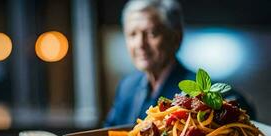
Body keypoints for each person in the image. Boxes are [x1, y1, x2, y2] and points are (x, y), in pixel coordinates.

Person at [104, 0, 255, 127]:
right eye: (132, 34)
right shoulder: (127, 87)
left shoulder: (199, 91)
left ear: (176, 38)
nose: (140, 44)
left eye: (152, 33)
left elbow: (239, 104)